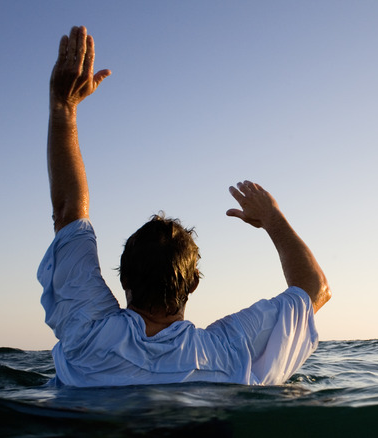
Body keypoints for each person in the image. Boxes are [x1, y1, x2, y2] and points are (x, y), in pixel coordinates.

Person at [38, 26, 331, 387]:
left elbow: (68, 211)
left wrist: (63, 107)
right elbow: (314, 288)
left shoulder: (86, 335)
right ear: (192, 284)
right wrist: (272, 219)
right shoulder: (230, 349)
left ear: (123, 278)